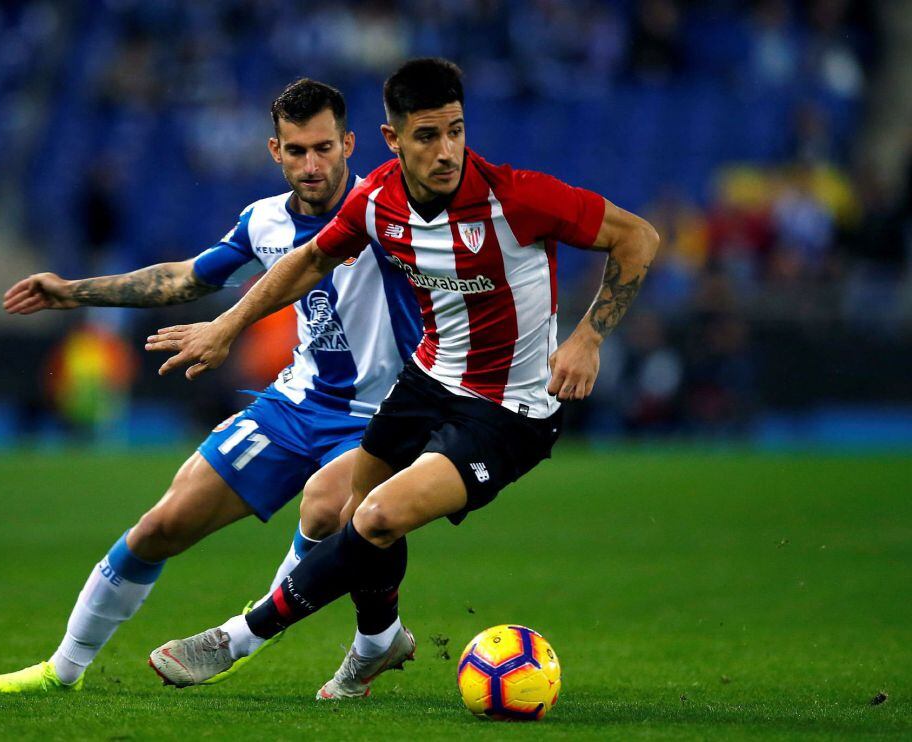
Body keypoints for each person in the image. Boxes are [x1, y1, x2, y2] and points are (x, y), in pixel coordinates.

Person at [144, 58, 660, 700]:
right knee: (337, 506)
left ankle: (239, 637)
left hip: (510, 411)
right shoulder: (378, 198)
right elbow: (308, 262)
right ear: (393, 140)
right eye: (426, 135)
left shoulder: (517, 198)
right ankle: (378, 644)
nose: (446, 151)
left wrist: (588, 337)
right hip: (427, 383)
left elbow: (637, 237)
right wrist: (227, 325)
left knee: (380, 516)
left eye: (456, 130)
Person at [0, 78, 420, 694]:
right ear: (274, 151)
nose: (311, 165)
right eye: (296, 151)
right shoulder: (262, 221)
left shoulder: (389, 206)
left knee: (324, 503)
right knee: (161, 526)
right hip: (297, 404)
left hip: (387, 413)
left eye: (323, 148)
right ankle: (61, 671)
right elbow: (184, 278)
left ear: (349, 144)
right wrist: (75, 292)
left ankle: (245, 637)